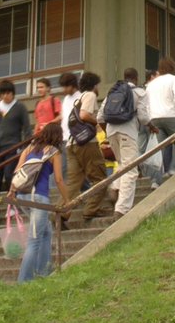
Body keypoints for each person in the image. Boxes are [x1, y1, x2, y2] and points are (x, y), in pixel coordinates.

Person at [9, 125, 69, 283]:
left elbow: (17, 171)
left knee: (46, 231)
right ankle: (24, 281)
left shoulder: (29, 148)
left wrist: (11, 190)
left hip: (23, 196)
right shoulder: (54, 152)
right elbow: (58, 179)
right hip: (39, 198)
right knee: (34, 239)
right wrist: (67, 199)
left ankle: (44, 271)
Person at [100, 67, 151, 218]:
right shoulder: (139, 92)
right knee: (131, 170)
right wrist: (151, 126)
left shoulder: (113, 91)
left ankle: (115, 186)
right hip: (127, 132)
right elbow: (143, 117)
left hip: (111, 131)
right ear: (135, 78)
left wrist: (107, 133)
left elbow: (99, 117)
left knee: (122, 163)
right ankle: (121, 210)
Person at [0, 80, 32, 228]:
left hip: (13, 147)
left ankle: (12, 207)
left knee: (11, 176)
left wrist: (27, 147)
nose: (6, 96)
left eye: (8, 93)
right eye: (3, 94)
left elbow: (27, 129)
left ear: (13, 93)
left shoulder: (20, 107)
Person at [63, 71, 109, 222]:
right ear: (94, 85)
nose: (98, 88)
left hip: (71, 144)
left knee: (73, 184)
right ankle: (91, 209)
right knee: (100, 178)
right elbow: (83, 115)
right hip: (86, 144)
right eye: (98, 85)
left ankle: (61, 214)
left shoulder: (77, 99)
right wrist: (97, 123)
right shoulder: (90, 95)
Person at [147, 58, 175, 178]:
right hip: (171, 115)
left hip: (154, 118)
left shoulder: (151, 84)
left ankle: (155, 180)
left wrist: (150, 118)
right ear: (172, 67)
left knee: (159, 148)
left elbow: (147, 103)